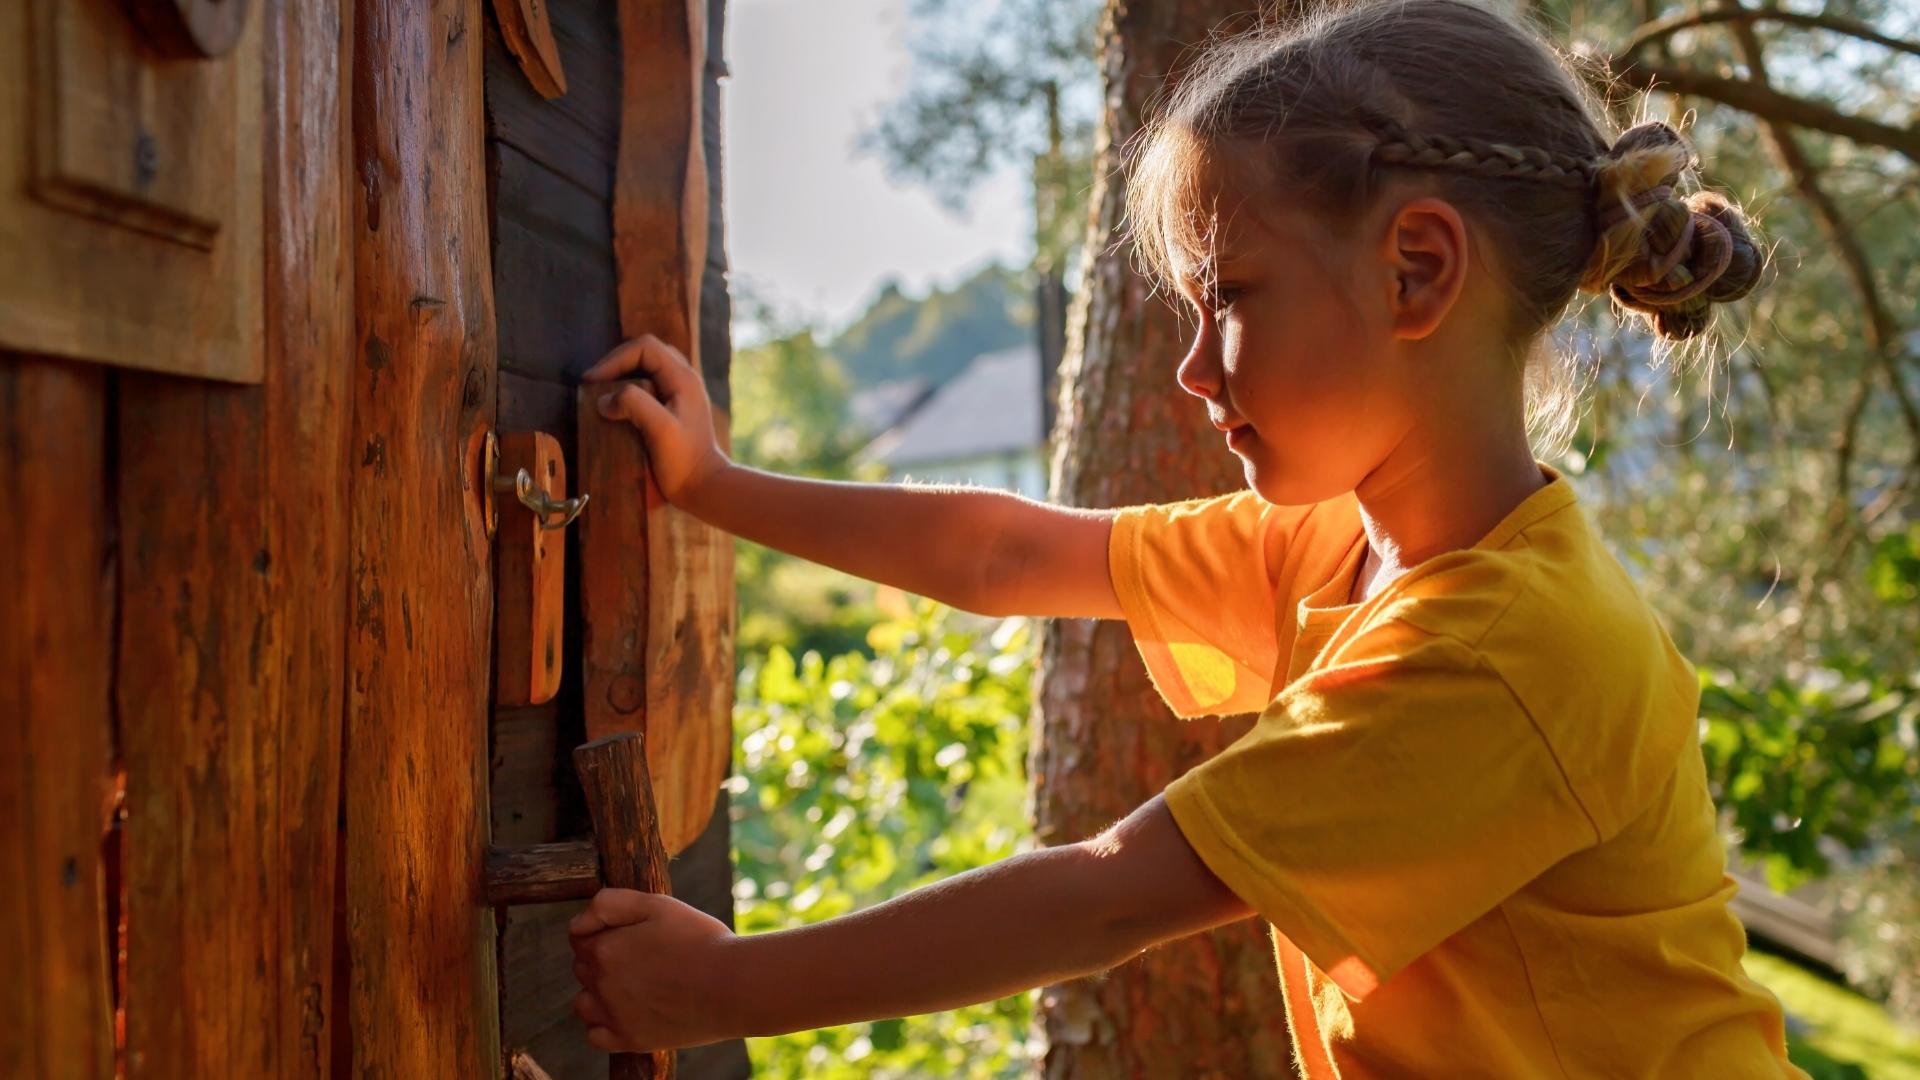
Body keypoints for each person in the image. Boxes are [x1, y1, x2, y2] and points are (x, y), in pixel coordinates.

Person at [568, 0, 1798, 1074]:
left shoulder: (1505, 647)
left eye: (1232, 299)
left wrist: (728, 990)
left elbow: (1110, 897)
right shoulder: (1339, 546)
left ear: (1416, 271)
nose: (1196, 370)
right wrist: (716, 487)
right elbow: (1006, 559)